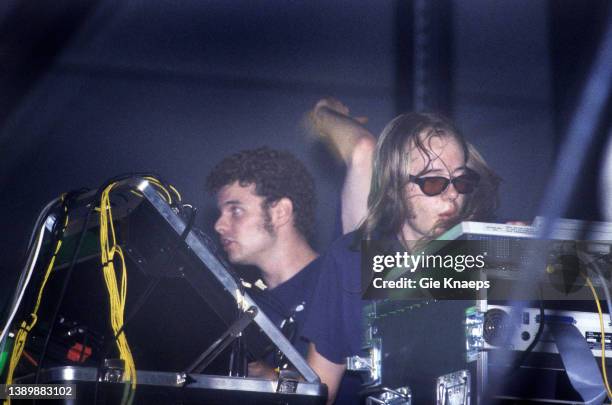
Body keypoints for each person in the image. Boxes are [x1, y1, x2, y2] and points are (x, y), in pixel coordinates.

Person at [303, 99, 500, 404]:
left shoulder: (482, 258)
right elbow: (320, 389)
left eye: (460, 180)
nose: (451, 195)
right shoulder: (351, 260)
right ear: (394, 186)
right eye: (433, 182)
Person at [206, 147, 321, 378]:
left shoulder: (338, 278)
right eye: (221, 212)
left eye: (236, 210)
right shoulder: (243, 308)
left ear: (280, 212)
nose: (219, 225)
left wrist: (266, 376)